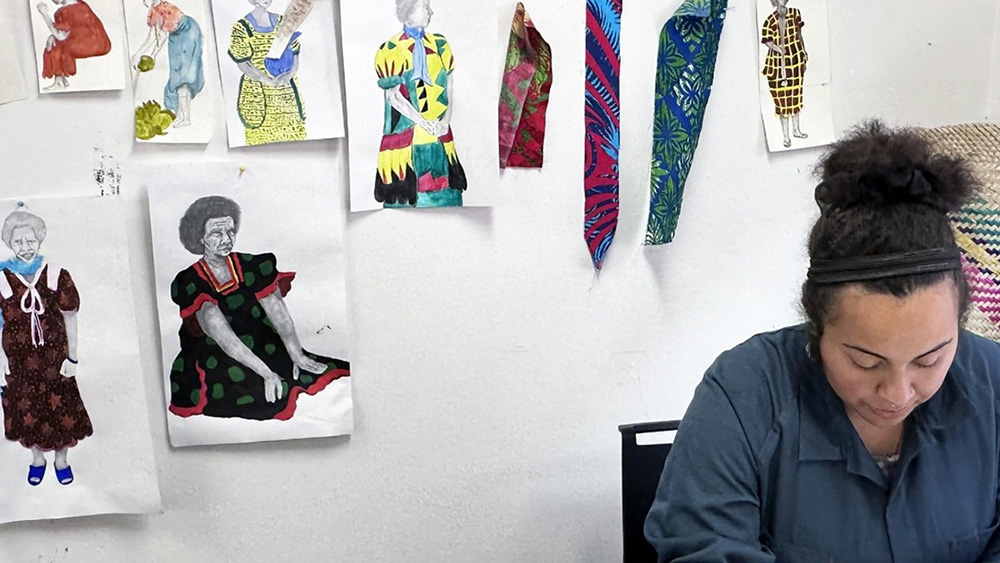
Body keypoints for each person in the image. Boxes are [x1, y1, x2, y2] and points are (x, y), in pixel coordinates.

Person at [645, 121, 1000, 562]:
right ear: (816, 328)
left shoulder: (992, 384)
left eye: (930, 360)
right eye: (866, 362)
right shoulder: (742, 395)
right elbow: (705, 550)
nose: (897, 393)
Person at [168, 196, 349, 420]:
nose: (227, 239)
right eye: (217, 233)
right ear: (200, 238)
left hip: (263, 344)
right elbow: (223, 337)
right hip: (218, 354)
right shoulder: (191, 281)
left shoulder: (252, 265)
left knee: (302, 371)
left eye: (231, 231)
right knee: (257, 393)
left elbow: (278, 312)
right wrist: (265, 372)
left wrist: (297, 354)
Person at [0, 210, 92, 486]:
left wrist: (73, 358)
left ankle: (61, 460)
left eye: (30, 241)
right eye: (18, 242)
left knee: (61, 411)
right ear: (9, 243)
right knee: (28, 413)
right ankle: (37, 459)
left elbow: (70, 317)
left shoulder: (56, 275)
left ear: (40, 240)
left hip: (55, 361)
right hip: (20, 364)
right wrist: (1, 359)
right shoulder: (1, 280)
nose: (25, 247)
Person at [374, 0, 467, 208]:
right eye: (424, 6)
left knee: (448, 202)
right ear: (408, 11)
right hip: (406, 143)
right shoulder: (391, 49)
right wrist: (423, 123)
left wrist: (445, 120)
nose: (430, 11)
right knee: (408, 203)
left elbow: (450, 87)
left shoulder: (440, 45)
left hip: (440, 136)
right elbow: (394, 98)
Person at [228, 0, 306, 146]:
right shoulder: (242, 28)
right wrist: (266, 80)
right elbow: (242, 63)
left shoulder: (281, 21)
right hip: (258, 95)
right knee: (260, 144)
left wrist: (288, 76)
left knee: (295, 143)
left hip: (285, 94)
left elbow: (295, 52)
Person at [130, 0, 204, 128]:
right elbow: (152, 36)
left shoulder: (159, 10)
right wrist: (139, 54)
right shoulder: (155, 10)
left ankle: (186, 118)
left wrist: (151, 55)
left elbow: (161, 37)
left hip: (188, 33)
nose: (143, 2)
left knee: (183, 76)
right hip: (176, 37)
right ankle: (181, 115)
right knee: (177, 76)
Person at [36, 0, 112, 91]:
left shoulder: (63, 11)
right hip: (102, 43)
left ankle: (59, 80)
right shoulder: (82, 4)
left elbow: (60, 36)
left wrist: (45, 14)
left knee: (53, 42)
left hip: (88, 45)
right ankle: (61, 81)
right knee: (54, 41)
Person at [761, 0, 807, 148]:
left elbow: (799, 34)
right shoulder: (770, 20)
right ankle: (786, 137)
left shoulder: (795, 14)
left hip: (795, 61)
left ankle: (796, 130)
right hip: (777, 66)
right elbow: (768, 41)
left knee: (796, 96)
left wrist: (804, 52)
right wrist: (778, 49)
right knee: (782, 101)